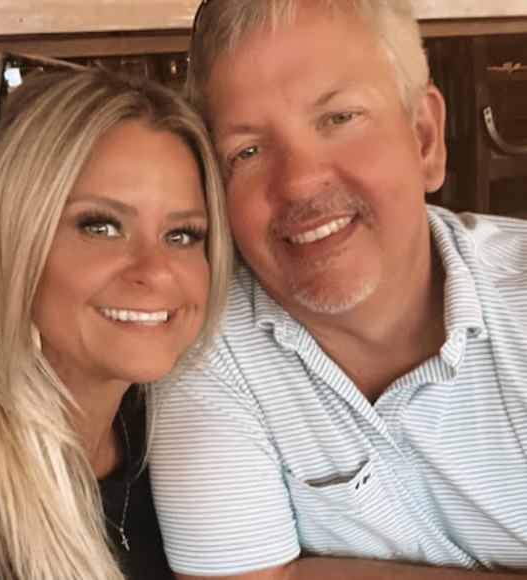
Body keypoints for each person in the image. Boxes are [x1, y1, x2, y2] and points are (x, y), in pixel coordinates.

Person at [149, 0, 527, 578]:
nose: (299, 181)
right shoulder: (207, 348)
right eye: (247, 151)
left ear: (424, 138)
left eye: (340, 118)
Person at [0, 66, 232, 579]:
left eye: (183, 234)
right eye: (100, 226)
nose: (155, 270)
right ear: (11, 238)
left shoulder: (179, 431)